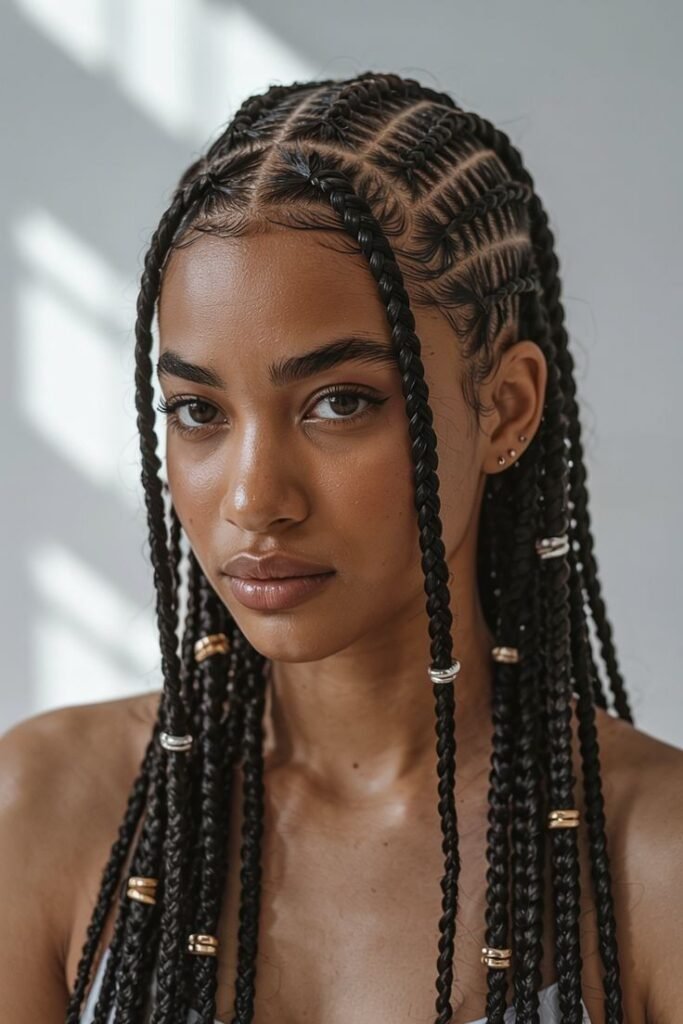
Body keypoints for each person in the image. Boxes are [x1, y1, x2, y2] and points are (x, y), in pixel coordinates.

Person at [0, 70, 681, 1024]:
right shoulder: (42, 810)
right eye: (198, 411)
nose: (253, 501)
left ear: (506, 408)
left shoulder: (653, 862)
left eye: (339, 403)